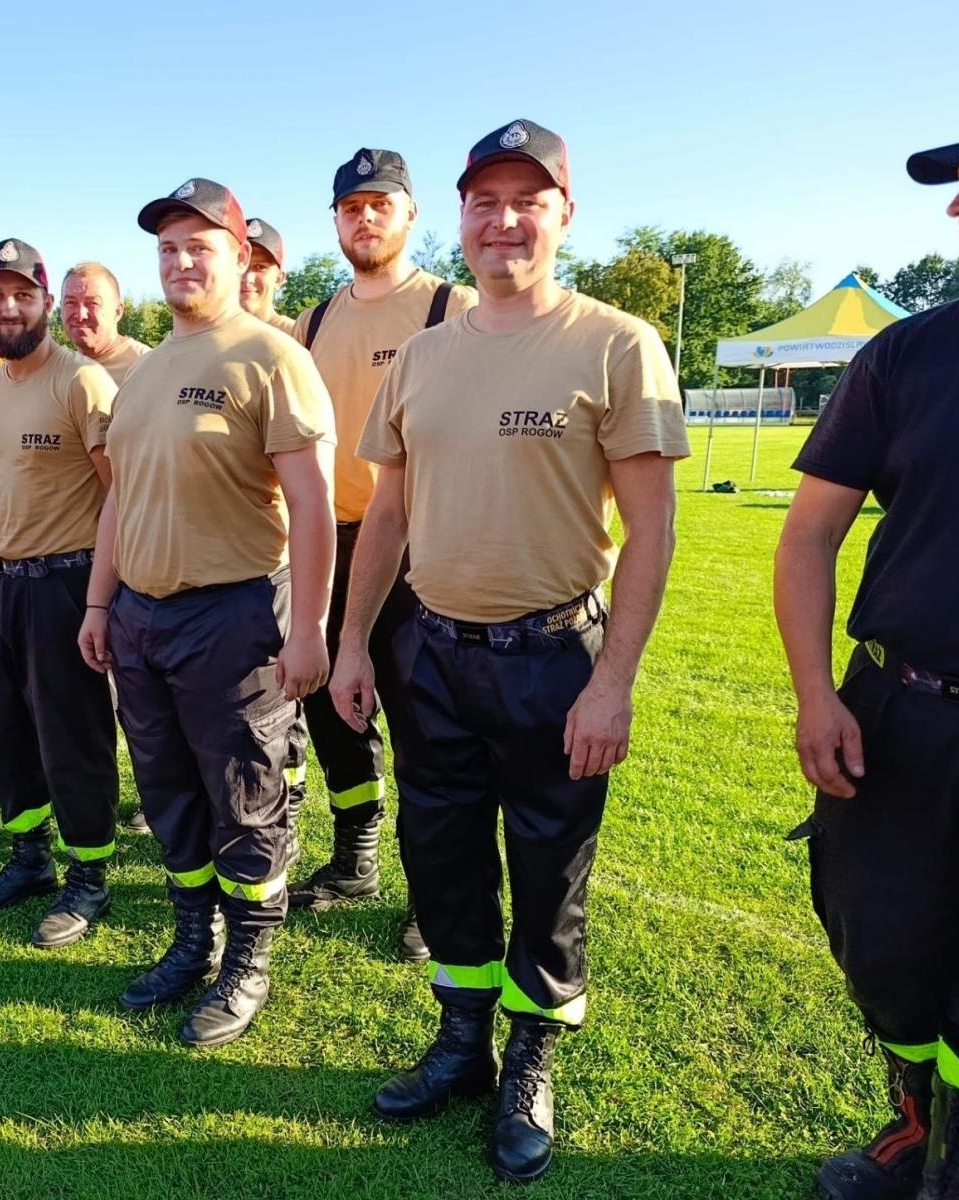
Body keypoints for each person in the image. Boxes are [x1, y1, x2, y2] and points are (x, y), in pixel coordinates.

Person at [331, 120, 686, 1183]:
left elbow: (654, 530)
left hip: (552, 658)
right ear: (461, 217)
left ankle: (532, 1054)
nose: (503, 221)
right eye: (484, 201)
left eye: (528, 200)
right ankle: (461, 1038)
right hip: (431, 653)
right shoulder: (424, 355)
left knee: (547, 866)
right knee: (440, 859)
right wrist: (353, 645)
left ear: (564, 214)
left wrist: (612, 683)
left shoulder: (616, 343)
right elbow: (387, 512)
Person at [78, 177, 336, 1046]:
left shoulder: (269, 356)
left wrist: (309, 629)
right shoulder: (147, 368)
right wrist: (99, 602)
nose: (181, 261)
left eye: (199, 246)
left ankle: (247, 961)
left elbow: (312, 506)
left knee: (245, 798)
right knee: (168, 793)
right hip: (140, 617)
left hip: (234, 615)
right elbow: (119, 498)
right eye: (167, 248)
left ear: (237, 256)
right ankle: (193, 941)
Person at [775, 138, 959, 1200]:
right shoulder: (902, 357)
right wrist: (816, 694)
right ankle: (919, 1127)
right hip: (900, 711)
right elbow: (808, 539)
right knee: (881, 942)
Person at [289, 149, 477, 959]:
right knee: (333, 713)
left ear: (409, 215)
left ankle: (435, 894)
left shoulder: (450, 307)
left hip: (422, 549)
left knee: (429, 730)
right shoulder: (311, 323)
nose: (363, 218)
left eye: (379, 204)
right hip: (326, 547)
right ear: (334, 220)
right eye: (350, 207)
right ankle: (354, 860)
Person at [0, 237, 120, 946]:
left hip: (65, 583)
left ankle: (89, 875)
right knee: (3, 734)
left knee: (71, 737)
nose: (9, 308)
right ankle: (30, 856)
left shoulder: (83, 382)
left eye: (23, 295)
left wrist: (100, 600)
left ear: (46, 303)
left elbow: (121, 494)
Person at [60, 263, 149, 386]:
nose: (80, 315)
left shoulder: (146, 366)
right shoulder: (59, 372)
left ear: (118, 311)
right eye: (70, 303)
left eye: (93, 303)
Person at [240, 218, 296, 337]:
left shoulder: (300, 336)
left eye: (260, 267)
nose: (247, 278)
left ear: (279, 279)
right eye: (240, 264)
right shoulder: (204, 336)